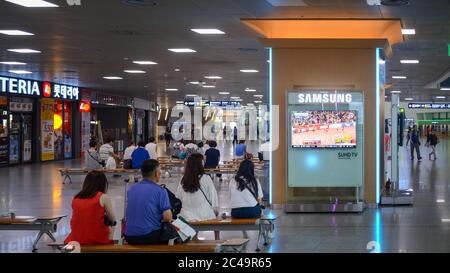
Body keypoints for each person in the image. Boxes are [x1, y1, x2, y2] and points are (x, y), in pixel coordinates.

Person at [124, 159, 173, 245]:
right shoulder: (160, 191)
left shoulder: (131, 189)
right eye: (159, 171)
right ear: (156, 173)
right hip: (149, 236)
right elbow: (168, 217)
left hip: (129, 235)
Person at [64, 171, 116, 245]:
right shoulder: (103, 197)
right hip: (96, 238)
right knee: (112, 225)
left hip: (76, 238)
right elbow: (113, 219)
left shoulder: (76, 198)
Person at [176, 153, 218, 222]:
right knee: (216, 216)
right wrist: (215, 210)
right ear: (200, 164)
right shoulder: (206, 178)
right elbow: (213, 198)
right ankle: (216, 232)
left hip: (186, 215)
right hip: (205, 215)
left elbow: (179, 197)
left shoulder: (183, 179)